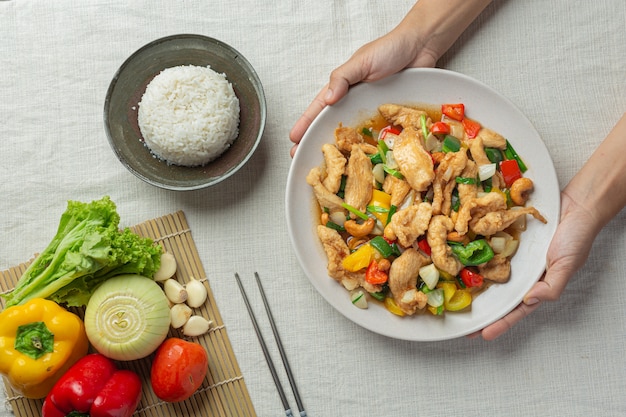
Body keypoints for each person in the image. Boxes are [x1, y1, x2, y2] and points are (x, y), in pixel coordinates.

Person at [289, 0, 626, 339]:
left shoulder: (453, 190)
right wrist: (419, 37)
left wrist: (588, 205)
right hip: (414, 200)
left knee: (435, 189)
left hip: (437, 202)